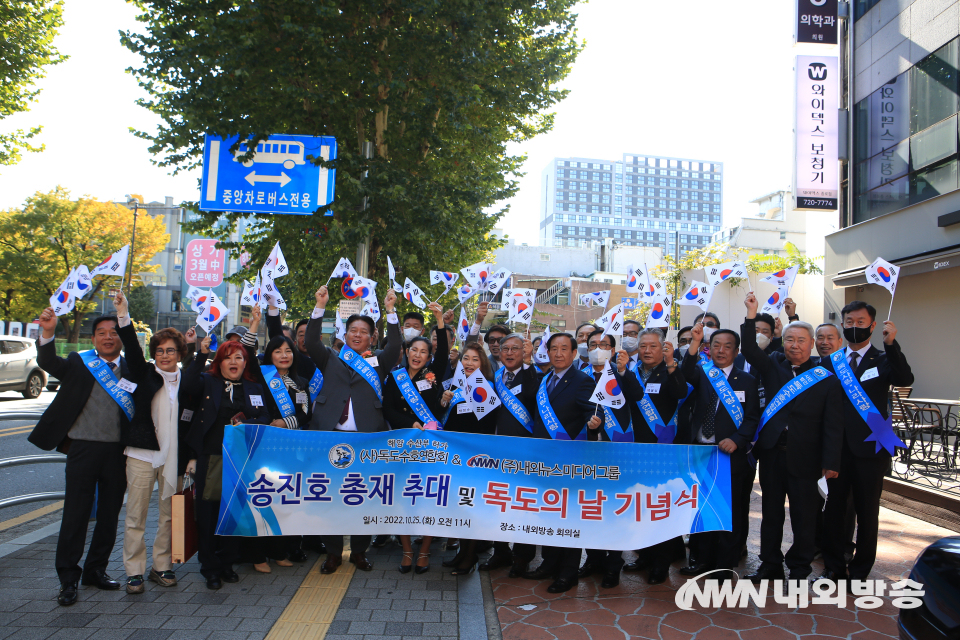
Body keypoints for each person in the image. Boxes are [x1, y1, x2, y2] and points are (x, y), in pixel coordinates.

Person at [30, 308, 132, 606]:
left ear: (122, 338)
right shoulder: (79, 362)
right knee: (76, 514)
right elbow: (48, 362)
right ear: (93, 339)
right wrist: (47, 332)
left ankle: (95, 570)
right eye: (102, 333)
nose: (108, 337)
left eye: (114, 333)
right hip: (82, 449)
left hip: (117, 452)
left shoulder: (133, 369)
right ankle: (68, 579)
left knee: (109, 515)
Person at [740, 293, 843, 583]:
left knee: (804, 517)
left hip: (808, 459)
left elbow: (833, 425)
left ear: (811, 344)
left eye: (801, 341)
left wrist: (831, 461)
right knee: (771, 514)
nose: (794, 346)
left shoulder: (826, 377)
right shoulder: (773, 365)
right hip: (773, 454)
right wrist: (751, 313)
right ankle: (770, 564)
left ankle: (799, 569)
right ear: (781, 342)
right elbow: (748, 347)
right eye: (789, 340)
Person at [304, 285, 401, 574]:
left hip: (366, 441)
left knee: (363, 498)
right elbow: (310, 342)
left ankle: (359, 551)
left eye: (363, 331)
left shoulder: (378, 361)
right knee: (330, 498)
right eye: (352, 330)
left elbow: (395, 348)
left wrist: (391, 311)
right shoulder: (330, 358)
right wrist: (319, 307)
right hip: (329, 438)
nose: (357, 335)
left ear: (371, 337)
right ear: (344, 335)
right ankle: (333, 553)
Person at [817, 301, 913, 584]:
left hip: (872, 449)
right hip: (836, 451)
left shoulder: (883, 359)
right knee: (833, 511)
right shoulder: (830, 362)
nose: (854, 327)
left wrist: (892, 344)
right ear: (842, 324)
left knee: (867, 512)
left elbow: (905, 378)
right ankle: (833, 567)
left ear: (872, 326)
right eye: (849, 321)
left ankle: (860, 571)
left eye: (860, 322)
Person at [112, 292, 189, 595]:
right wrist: (122, 313)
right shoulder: (145, 373)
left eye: (170, 351)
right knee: (136, 514)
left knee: (169, 514)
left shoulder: (189, 382)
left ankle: (161, 565)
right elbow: (131, 348)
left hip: (174, 457)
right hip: (142, 454)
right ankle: (134, 570)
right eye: (159, 350)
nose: (164, 355)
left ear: (180, 353)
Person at [183, 336, 271, 590]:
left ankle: (227, 563)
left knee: (235, 513)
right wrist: (199, 354)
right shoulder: (208, 382)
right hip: (211, 457)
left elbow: (265, 415)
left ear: (246, 363)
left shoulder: (253, 387)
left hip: (242, 459)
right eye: (228, 357)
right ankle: (209, 567)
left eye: (239, 357)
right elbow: (187, 386)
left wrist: (251, 425)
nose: (234, 362)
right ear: (219, 362)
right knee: (209, 515)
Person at [678, 324, 760, 583]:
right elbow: (684, 372)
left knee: (728, 511)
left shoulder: (746, 380)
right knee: (701, 509)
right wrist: (694, 342)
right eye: (715, 345)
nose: (721, 350)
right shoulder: (702, 372)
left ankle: (724, 565)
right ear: (708, 349)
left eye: (727, 346)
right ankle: (700, 560)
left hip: (731, 456)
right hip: (701, 451)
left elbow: (752, 418)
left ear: (736, 351)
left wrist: (737, 440)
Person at [522, 332, 602, 593]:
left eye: (563, 348)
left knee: (568, 517)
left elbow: (592, 410)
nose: (558, 353)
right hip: (543, 459)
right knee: (547, 513)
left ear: (574, 353)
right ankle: (549, 563)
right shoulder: (546, 379)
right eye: (553, 348)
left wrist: (594, 421)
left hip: (569, 462)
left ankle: (568, 573)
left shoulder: (582, 380)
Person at [241, 305, 312, 571]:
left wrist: (285, 422)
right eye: (277, 351)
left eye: (288, 351)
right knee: (260, 499)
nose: (284, 355)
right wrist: (254, 326)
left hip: (291, 449)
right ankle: (258, 555)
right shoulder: (261, 376)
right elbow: (247, 353)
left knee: (285, 501)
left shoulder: (300, 383)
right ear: (269, 355)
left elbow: (306, 414)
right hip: (263, 447)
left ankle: (280, 551)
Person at [618, 328, 689, 584]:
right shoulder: (631, 370)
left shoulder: (669, 371)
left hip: (664, 450)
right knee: (639, 506)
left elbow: (681, 393)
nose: (647, 351)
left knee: (663, 509)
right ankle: (644, 555)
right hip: (635, 449)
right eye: (643, 346)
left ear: (663, 348)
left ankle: (661, 563)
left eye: (653, 346)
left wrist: (672, 366)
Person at [382, 302, 448, 573]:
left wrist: (439, 320)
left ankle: (424, 551)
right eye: (414, 350)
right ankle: (407, 549)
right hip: (402, 442)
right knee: (402, 496)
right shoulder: (394, 376)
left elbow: (443, 353)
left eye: (424, 351)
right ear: (406, 352)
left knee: (429, 497)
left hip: (429, 446)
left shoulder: (432, 377)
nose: (417, 354)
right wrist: (410, 422)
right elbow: (387, 408)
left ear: (429, 356)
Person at [479, 332, 541, 576]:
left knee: (523, 506)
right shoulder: (495, 377)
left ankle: (522, 557)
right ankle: (501, 551)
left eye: (515, 349)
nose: (509, 353)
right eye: (505, 349)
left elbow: (534, 395)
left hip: (525, 452)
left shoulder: (532, 375)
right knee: (499, 503)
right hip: (497, 453)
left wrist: (529, 363)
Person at [439, 342, 499, 574]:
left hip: (475, 457)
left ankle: (470, 557)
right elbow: (449, 419)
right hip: (454, 456)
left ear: (482, 363)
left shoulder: (487, 387)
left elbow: (484, 425)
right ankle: (462, 553)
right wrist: (444, 401)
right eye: (466, 359)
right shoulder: (454, 385)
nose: (470, 363)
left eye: (475, 359)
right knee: (459, 506)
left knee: (471, 506)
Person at [579, 330, 632, 588]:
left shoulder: (623, 375)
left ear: (613, 349)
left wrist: (622, 372)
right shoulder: (580, 376)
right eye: (593, 344)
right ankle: (594, 559)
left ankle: (613, 563)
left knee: (614, 509)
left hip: (617, 453)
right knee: (590, 507)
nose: (598, 348)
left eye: (604, 344)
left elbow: (639, 398)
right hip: (588, 452)